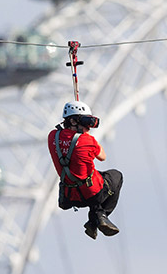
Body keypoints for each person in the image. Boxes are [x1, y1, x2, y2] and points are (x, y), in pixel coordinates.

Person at [47, 100, 124, 239]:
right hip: (91, 193)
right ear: (74, 122)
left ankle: (96, 218)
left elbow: (65, 142)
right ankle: (99, 217)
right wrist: (89, 138)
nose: (88, 127)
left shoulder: (52, 136)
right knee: (115, 176)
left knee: (95, 176)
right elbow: (102, 156)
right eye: (86, 122)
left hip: (68, 195)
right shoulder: (87, 140)